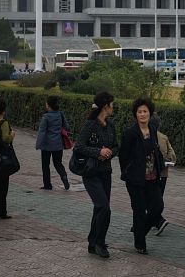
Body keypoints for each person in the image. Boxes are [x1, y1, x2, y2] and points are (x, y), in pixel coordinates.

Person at [74, 91, 118, 259]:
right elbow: (78, 147)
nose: (113, 108)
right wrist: (98, 151)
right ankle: (99, 243)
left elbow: (116, 146)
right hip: (91, 173)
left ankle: (93, 243)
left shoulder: (111, 125)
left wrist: (109, 153)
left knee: (100, 207)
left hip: (106, 172)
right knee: (104, 207)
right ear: (105, 106)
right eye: (112, 105)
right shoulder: (90, 125)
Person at [119, 97, 165, 254]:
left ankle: (140, 232)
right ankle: (140, 244)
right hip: (136, 179)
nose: (143, 114)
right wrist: (128, 172)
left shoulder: (152, 129)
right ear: (135, 114)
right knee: (139, 210)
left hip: (152, 177)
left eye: (145, 111)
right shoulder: (130, 133)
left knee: (158, 207)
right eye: (139, 112)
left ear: (150, 113)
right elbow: (123, 157)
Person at [35, 97, 70, 191]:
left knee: (45, 165)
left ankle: (47, 185)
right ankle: (64, 177)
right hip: (58, 144)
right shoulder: (60, 114)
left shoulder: (46, 117)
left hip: (47, 145)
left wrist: (38, 144)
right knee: (58, 163)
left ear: (48, 105)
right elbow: (67, 126)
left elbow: (42, 131)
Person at [155, 129, 176, 236]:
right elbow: (172, 157)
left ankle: (159, 221)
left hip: (151, 174)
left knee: (149, 199)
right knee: (158, 198)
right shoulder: (164, 137)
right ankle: (154, 221)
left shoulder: (145, 135)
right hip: (163, 174)